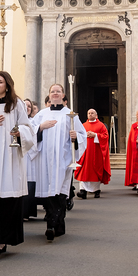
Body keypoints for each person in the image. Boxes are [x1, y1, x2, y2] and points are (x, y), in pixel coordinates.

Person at [0, 70, 35, 259]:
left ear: (8, 85)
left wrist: (20, 133)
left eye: (0, 82)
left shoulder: (16, 104)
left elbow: (27, 127)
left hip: (10, 158)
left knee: (8, 200)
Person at [31, 84, 87, 239]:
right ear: (49, 95)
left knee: (60, 192)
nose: (55, 93)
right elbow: (29, 131)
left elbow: (82, 135)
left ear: (63, 95)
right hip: (45, 160)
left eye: (58, 91)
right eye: (52, 91)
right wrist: (40, 127)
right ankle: (56, 225)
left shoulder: (70, 115)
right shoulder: (42, 114)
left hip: (63, 159)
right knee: (48, 192)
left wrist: (76, 137)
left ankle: (52, 224)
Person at [75, 108, 111, 198]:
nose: (90, 114)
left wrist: (95, 135)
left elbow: (105, 136)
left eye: (92, 113)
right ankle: (82, 190)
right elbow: (78, 135)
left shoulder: (101, 125)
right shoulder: (83, 125)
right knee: (84, 171)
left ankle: (96, 190)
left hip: (96, 152)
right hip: (85, 153)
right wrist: (83, 135)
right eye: (89, 113)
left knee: (95, 171)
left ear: (96, 115)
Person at [22, 99, 39, 221]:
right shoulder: (15, 120)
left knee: (30, 184)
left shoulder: (34, 122)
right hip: (19, 156)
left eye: (29, 106)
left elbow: (37, 136)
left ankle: (28, 211)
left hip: (30, 157)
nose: (27, 108)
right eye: (25, 105)